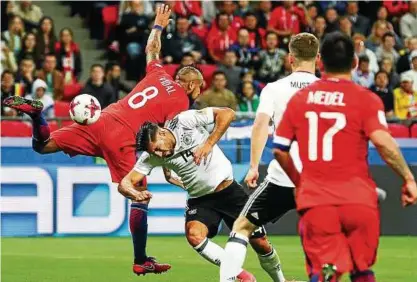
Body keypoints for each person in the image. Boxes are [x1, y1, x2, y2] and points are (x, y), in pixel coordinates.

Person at [3, 4, 204, 277]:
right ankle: (141, 259)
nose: (199, 91)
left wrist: (157, 26)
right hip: (122, 137)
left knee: (42, 145)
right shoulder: (181, 101)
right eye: (199, 86)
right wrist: (168, 171)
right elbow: (165, 140)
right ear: (191, 84)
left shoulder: (158, 73)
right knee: (139, 198)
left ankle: (37, 115)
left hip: (102, 118)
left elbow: (152, 49)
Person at [273, 31, 417, 281]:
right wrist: (408, 178)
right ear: (354, 62)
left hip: (317, 202)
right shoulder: (366, 99)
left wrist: (299, 182)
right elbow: (384, 143)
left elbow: (279, 149)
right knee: (362, 269)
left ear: (320, 62)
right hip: (359, 201)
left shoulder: (300, 99)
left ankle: (328, 272)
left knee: (325, 270)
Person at [119, 108, 275, 282]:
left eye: (158, 148)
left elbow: (227, 113)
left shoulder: (184, 122)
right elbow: (124, 183)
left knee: (261, 243)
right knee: (194, 235)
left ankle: (280, 280)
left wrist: (208, 144)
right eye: (153, 152)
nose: (158, 155)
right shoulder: (151, 157)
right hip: (200, 199)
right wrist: (134, 193)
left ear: (162, 133)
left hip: (230, 192)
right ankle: (241, 275)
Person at [220, 33, 320, 282]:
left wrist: (254, 166)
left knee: (242, 227)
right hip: (320, 178)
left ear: (290, 58)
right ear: (317, 58)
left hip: (283, 177)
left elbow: (260, 126)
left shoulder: (274, 89)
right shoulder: (329, 92)